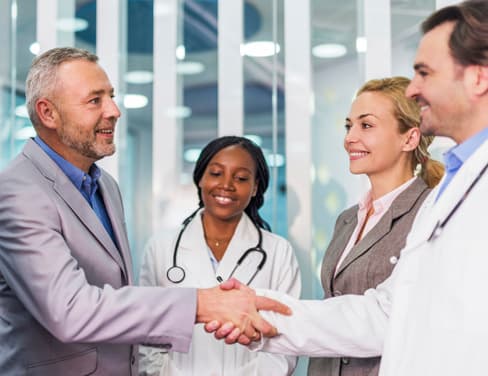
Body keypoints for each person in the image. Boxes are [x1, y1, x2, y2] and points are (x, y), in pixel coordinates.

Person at [208, 1, 488, 375]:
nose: (415, 88)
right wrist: (259, 308)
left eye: (424, 72)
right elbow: (384, 311)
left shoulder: (434, 200)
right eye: (348, 125)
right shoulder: (448, 190)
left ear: (478, 78)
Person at [0, 47, 288, 376]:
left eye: (111, 96)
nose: (114, 110)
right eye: (95, 100)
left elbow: (118, 296)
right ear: (48, 113)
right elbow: (70, 310)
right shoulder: (17, 192)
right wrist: (202, 303)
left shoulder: (105, 186)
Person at [307, 76, 443, 376]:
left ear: (409, 138)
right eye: (348, 126)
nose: (350, 138)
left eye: (365, 125)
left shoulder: (429, 213)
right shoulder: (346, 220)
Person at [139, 136, 301, 376]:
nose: (227, 184)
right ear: (200, 178)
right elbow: (146, 328)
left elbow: (285, 337)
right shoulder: (161, 247)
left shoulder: (278, 252)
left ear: (255, 187)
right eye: (216, 173)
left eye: (241, 178)